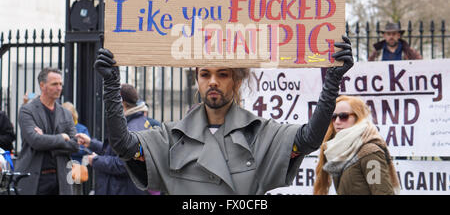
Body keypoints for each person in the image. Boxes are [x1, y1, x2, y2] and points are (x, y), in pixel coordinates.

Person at [93, 36, 354, 195]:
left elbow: (309, 139)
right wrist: (111, 86)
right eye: (205, 74)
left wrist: (332, 82)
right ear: (197, 80)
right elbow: (124, 146)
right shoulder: (171, 136)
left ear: (236, 81)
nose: (213, 81)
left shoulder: (260, 132)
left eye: (223, 74)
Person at [75, 83, 161, 195]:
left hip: (123, 189)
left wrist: (96, 160)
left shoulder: (131, 128)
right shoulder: (136, 121)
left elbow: (124, 165)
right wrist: (91, 143)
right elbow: (117, 151)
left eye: (111, 101)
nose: (108, 105)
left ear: (120, 103)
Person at [313, 95, 401, 195]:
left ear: (357, 117)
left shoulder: (370, 153)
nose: (337, 122)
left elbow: (383, 192)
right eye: (333, 117)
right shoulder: (340, 150)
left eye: (343, 116)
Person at [15, 67, 79, 195]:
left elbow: (74, 145)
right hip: (34, 179)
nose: (59, 88)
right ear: (42, 85)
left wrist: (45, 139)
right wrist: (61, 138)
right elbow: (35, 141)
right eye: (54, 84)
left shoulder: (66, 113)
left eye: (60, 84)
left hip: (61, 180)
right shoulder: (27, 111)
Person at [61, 102, 90, 195]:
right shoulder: (59, 128)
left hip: (75, 168)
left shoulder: (82, 129)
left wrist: (67, 147)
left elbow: (86, 150)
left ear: (73, 114)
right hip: (60, 167)